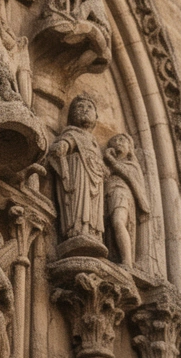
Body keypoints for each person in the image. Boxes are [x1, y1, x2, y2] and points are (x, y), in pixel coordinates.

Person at [46, 95, 107, 256]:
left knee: (93, 209)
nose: (85, 110)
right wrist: (62, 146)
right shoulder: (72, 133)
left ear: (96, 116)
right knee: (80, 203)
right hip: (79, 174)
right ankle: (78, 230)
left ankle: (93, 233)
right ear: (71, 115)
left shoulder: (94, 143)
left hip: (94, 179)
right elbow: (65, 143)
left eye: (89, 107)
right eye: (80, 107)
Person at [103, 133, 150, 267]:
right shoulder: (110, 167)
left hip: (122, 194)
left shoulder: (132, 165)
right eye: (114, 140)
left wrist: (111, 160)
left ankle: (127, 261)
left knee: (118, 221)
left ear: (130, 148)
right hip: (109, 195)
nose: (118, 142)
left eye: (122, 140)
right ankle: (116, 257)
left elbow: (128, 174)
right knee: (110, 228)